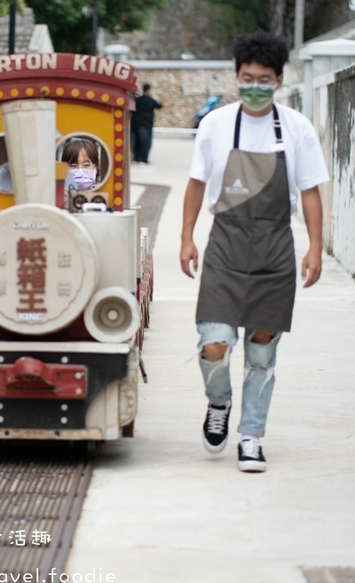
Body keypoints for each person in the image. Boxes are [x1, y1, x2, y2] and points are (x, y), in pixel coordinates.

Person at [179, 32, 328, 473]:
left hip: (275, 248)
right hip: (225, 245)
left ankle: (251, 436)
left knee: (262, 351)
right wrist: (187, 237)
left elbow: (310, 191)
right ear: (236, 77)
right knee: (214, 343)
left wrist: (315, 247)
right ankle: (219, 402)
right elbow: (196, 182)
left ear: (279, 80)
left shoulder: (297, 129)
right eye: (247, 78)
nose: (255, 86)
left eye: (264, 79)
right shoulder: (216, 125)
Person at [131, 83, 163, 164]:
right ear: (148, 90)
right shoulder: (150, 100)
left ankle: (137, 158)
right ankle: (143, 159)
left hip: (136, 125)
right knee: (145, 143)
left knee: (137, 142)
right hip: (146, 125)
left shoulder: (137, 100)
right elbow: (159, 106)